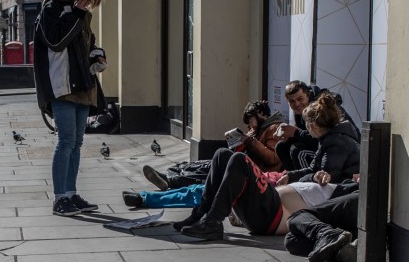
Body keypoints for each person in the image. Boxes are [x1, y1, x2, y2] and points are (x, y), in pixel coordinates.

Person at [177, 92, 360, 240]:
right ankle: (202, 213)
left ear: (315, 125)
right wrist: (292, 175)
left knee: (239, 160)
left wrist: (303, 176)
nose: (306, 128)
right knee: (222, 155)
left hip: (274, 214)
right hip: (272, 205)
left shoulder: (338, 144)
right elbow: (315, 171)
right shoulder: (330, 140)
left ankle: (212, 221)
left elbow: (323, 176)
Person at [33, 0, 106, 216]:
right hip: (62, 86)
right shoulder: (53, 8)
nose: (89, 0)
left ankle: (71, 194)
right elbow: (56, 42)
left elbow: (87, 45)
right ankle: (59, 198)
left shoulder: (84, 15)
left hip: (83, 85)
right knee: (65, 141)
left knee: (77, 143)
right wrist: (75, 12)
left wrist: (97, 54)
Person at [141, 100, 283, 193]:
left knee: (209, 171)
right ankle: (169, 175)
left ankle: (171, 181)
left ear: (261, 114)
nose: (250, 125)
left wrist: (249, 141)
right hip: (241, 164)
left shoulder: (272, 129)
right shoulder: (257, 130)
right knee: (194, 165)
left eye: (251, 119)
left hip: (252, 172)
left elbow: (272, 159)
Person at [275, 80, 358, 171]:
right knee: (282, 146)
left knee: (298, 151)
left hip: (339, 153)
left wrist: (295, 132)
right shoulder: (302, 110)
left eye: (300, 99)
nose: (297, 104)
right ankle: (294, 178)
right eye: (291, 101)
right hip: (325, 149)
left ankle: (303, 182)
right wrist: (288, 135)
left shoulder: (320, 109)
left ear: (308, 95)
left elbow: (323, 139)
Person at [284, 180, 360, 262]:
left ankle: (327, 233)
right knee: (291, 240)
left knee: (297, 216)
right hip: (361, 224)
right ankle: (343, 250)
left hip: (362, 203)